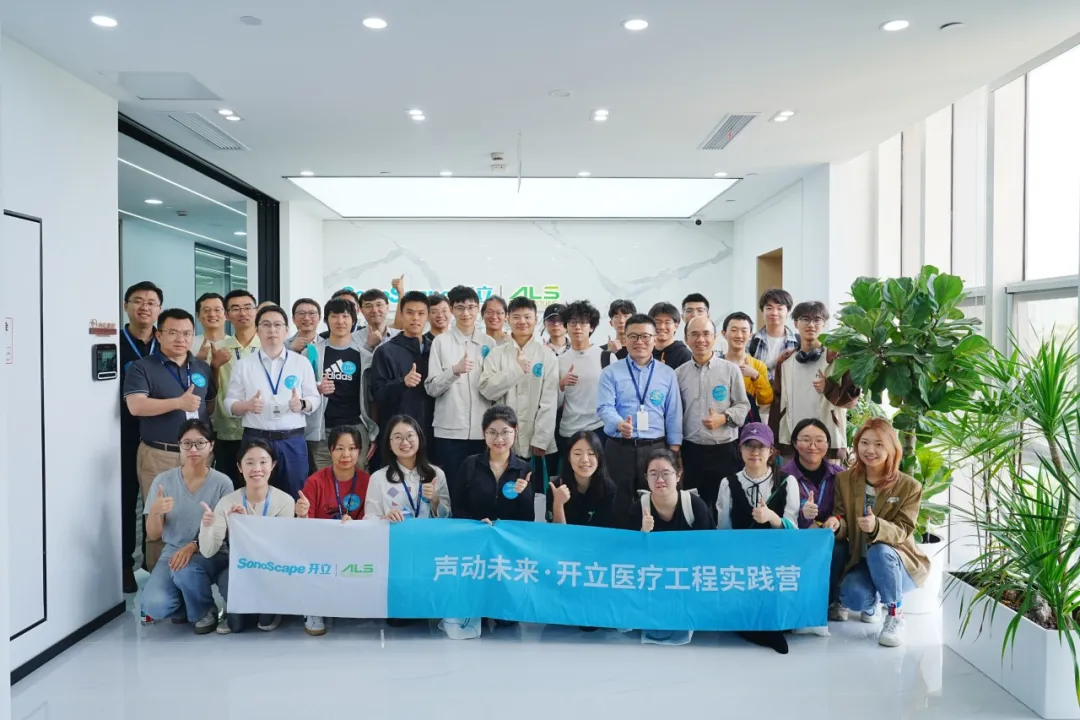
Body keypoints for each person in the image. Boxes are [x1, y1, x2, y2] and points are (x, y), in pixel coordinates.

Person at [124, 308, 217, 571]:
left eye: (187, 333)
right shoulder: (142, 367)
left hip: (199, 455)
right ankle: (159, 576)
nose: (180, 339)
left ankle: (195, 574)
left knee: (199, 514)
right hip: (160, 454)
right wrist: (178, 403)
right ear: (159, 335)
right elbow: (136, 406)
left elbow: (208, 405)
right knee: (160, 515)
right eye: (173, 332)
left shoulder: (201, 367)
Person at [831, 418, 929, 648]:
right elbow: (842, 518)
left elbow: (903, 529)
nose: (870, 450)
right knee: (852, 596)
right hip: (862, 560)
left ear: (891, 448)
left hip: (898, 563)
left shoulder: (909, 486)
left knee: (880, 551)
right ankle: (871, 603)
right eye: (864, 443)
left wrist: (877, 527)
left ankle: (895, 614)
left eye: (878, 444)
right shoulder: (844, 480)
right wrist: (836, 524)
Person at [139, 420, 232, 632]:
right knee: (153, 605)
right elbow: (153, 534)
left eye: (200, 443)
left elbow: (223, 531)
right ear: (179, 445)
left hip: (211, 550)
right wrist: (155, 511)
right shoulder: (163, 481)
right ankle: (185, 602)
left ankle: (205, 611)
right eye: (187, 443)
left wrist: (193, 546)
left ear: (211, 445)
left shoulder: (223, 483)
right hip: (173, 552)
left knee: (185, 570)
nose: (193, 449)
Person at [715, 423, 798, 654]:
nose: (754, 452)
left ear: (771, 451)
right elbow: (724, 530)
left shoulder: (786, 482)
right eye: (748, 446)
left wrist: (772, 518)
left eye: (761, 446)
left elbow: (794, 531)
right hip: (741, 560)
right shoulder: (728, 483)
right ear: (740, 450)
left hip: (776, 558)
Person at [201, 439, 296, 634]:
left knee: (265, 622)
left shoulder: (285, 501)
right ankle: (239, 610)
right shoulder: (227, 502)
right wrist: (207, 527)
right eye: (249, 462)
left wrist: (246, 524)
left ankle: (270, 609)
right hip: (240, 569)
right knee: (236, 625)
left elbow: (278, 548)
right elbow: (208, 551)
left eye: (263, 462)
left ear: (273, 465)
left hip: (272, 568)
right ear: (239, 467)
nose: (257, 469)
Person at [597, 313, 683, 528]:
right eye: (633, 336)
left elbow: (673, 412)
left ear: (654, 339)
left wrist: (674, 450)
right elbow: (604, 407)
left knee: (658, 502)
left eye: (645, 336)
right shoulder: (610, 372)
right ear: (624, 339)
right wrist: (619, 423)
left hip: (656, 448)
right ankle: (620, 545)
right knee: (617, 503)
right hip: (619, 447)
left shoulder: (667, 373)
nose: (639, 342)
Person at [225, 305, 320, 497]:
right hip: (256, 439)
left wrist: (302, 404)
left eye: (278, 325)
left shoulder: (301, 363)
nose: (272, 330)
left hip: (292, 441)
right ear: (257, 330)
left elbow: (314, 398)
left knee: (295, 495)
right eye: (266, 325)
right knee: (255, 496)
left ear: (286, 330)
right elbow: (229, 403)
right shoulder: (244, 364)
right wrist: (247, 405)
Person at [294, 425, 372, 636]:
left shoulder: (367, 481)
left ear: (360, 451)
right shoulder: (315, 482)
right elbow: (305, 527)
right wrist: (301, 514)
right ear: (330, 451)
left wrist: (355, 526)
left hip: (356, 542)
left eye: (352, 448)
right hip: (322, 544)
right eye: (339, 448)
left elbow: (372, 518)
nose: (346, 454)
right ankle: (313, 610)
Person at [630, 448, 713, 645]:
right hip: (653, 579)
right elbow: (628, 556)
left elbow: (709, 550)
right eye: (653, 474)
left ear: (678, 475)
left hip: (687, 577)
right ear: (646, 477)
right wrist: (642, 533)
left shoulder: (695, 506)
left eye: (666, 473)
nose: (659, 479)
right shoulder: (638, 508)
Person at [675, 316, 750, 519]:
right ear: (686, 339)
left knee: (723, 507)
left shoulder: (730, 370)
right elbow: (674, 413)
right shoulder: (678, 374)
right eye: (694, 334)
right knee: (692, 508)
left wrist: (723, 418)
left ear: (715, 337)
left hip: (724, 451)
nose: (701, 339)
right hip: (691, 451)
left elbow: (743, 406)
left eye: (706, 334)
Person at [424, 285, 495, 502]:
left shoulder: (489, 343)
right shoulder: (441, 342)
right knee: (452, 488)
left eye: (471, 307)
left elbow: (494, 388)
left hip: (482, 432)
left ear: (478, 309)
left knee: (480, 488)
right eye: (460, 307)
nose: (466, 313)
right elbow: (431, 388)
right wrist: (454, 370)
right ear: (452, 310)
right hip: (449, 431)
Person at [478, 296, 558, 487]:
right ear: (508, 319)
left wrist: (541, 439)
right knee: (502, 487)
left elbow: (549, 401)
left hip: (534, 439)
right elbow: (487, 390)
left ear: (536, 319)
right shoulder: (497, 354)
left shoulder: (546, 355)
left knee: (533, 490)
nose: (522, 321)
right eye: (516, 317)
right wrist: (515, 369)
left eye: (527, 317)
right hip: (501, 439)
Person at [769, 301, 861, 460]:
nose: (811, 325)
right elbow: (777, 404)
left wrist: (829, 388)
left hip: (828, 444)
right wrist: (773, 442)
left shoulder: (837, 359)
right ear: (795, 323)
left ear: (824, 324)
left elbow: (851, 401)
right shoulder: (785, 362)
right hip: (792, 444)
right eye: (805, 319)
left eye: (817, 320)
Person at [120, 280, 163, 593]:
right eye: (137, 301)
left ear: (159, 309)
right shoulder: (112, 341)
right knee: (124, 499)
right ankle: (124, 563)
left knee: (159, 500)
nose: (144, 307)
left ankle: (154, 562)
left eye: (151, 303)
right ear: (126, 306)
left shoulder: (166, 342)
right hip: (120, 433)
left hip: (158, 433)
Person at [785, 418, 847, 632]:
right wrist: (803, 515)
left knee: (839, 549)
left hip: (829, 536)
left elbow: (846, 510)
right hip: (796, 537)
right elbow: (778, 513)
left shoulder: (840, 475)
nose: (813, 446)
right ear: (795, 443)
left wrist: (836, 519)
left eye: (819, 440)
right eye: (805, 440)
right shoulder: (783, 475)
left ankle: (831, 601)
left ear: (827, 445)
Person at [306, 298, 378, 472]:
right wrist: (317, 389)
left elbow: (372, 397)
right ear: (326, 320)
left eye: (345, 316)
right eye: (334, 316)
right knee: (323, 479)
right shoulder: (311, 353)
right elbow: (300, 390)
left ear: (353, 320)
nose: (340, 321)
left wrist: (373, 433)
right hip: (321, 430)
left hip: (356, 427)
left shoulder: (365, 355)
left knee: (358, 478)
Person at [371, 291, 435, 444]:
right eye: (410, 312)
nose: (415, 318)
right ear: (401, 314)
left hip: (433, 431)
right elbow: (378, 393)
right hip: (399, 433)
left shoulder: (435, 349)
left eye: (421, 313)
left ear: (427, 316)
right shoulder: (386, 351)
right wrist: (402, 382)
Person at [454, 404, 536, 522]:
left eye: (505, 432)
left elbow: (528, 519)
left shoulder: (525, 469)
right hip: (476, 531)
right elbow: (457, 509)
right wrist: (477, 524)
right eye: (492, 432)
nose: (499, 439)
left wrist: (524, 494)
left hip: (509, 532)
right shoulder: (470, 465)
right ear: (484, 433)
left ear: (516, 430)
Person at [213, 290, 262, 488]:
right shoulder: (217, 348)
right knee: (230, 486)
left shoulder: (269, 346)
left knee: (260, 484)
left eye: (248, 307)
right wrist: (214, 366)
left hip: (261, 427)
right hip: (227, 430)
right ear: (226, 315)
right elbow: (210, 389)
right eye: (235, 308)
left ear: (256, 311)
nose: (242, 313)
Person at [366, 415, 451, 521]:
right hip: (394, 531)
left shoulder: (437, 474)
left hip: (428, 531)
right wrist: (385, 519)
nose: (405, 442)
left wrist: (435, 502)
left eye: (410, 436)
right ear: (389, 444)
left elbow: (448, 518)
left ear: (419, 438)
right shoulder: (378, 478)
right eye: (398, 437)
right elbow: (369, 518)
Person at [556, 301, 605, 462]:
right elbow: (555, 404)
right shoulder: (559, 361)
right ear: (566, 326)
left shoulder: (606, 357)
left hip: (598, 428)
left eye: (583, 323)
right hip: (568, 430)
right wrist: (561, 385)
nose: (577, 327)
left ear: (591, 327)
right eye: (572, 322)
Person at [547, 431, 618, 528]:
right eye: (577, 453)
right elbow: (556, 532)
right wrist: (558, 504)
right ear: (568, 457)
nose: (585, 459)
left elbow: (604, 531)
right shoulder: (556, 487)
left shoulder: (608, 488)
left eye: (591, 453)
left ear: (599, 457)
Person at [722, 312, 773, 423]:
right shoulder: (717, 364)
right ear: (724, 333)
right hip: (721, 420)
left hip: (749, 423)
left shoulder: (758, 365)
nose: (739, 335)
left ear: (750, 335)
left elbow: (766, 400)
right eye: (734, 330)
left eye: (744, 331)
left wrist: (755, 376)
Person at [748, 288, 798, 382]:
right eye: (769, 308)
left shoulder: (798, 342)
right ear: (762, 311)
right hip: (759, 391)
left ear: (788, 312)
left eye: (780, 308)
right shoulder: (751, 341)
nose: (774, 313)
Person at [353, 287, 401, 357]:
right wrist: (368, 347)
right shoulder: (353, 339)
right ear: (361, 310)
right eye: (368, 306)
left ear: (387, 307)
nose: (375, 310)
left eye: (379, 305)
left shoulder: (400, 336)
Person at [648, 302, 693, 369]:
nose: (662, 327)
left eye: (667, 322)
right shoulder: (646, 352)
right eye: (657, 322)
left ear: (676, 326)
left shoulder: (685, 355)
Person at [192, 292, 227, 363]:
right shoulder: (188, 345)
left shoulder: (235, 344)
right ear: (198, 316)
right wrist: (198, 360)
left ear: (226, 314)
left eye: (217, 310)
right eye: (206, 310)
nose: (212, 314)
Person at [601, 299, 635, 368]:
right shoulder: (601, 350)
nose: (621, 321)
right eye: (617, 317)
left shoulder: (641, 348)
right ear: (611, 323)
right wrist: (608, 353)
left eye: (626, 316)